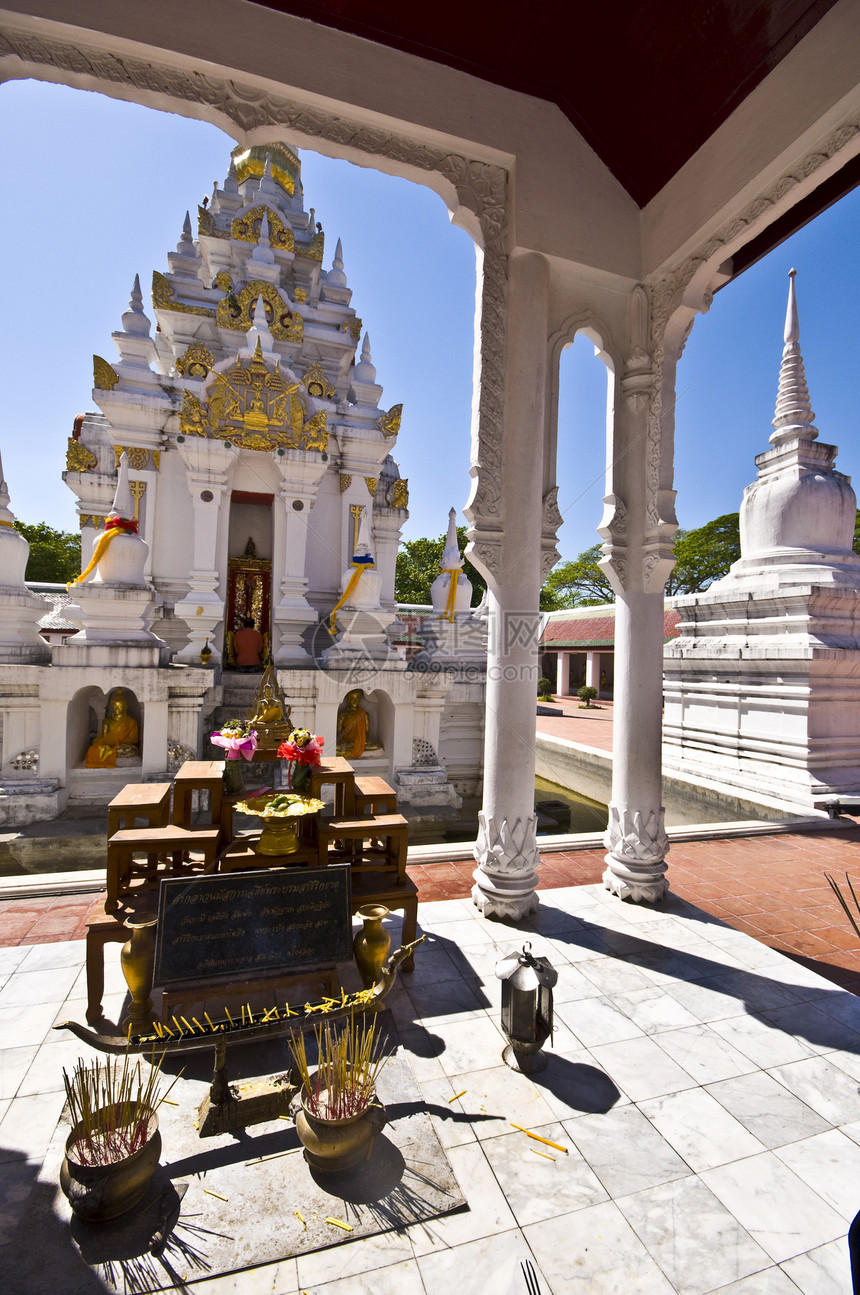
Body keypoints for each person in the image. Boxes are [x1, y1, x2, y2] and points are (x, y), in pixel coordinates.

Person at [84, 690, 140, 768]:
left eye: (119, 705)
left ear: (125, 706)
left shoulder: (131, 722)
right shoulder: (107, 721)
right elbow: (105, 738)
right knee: (95, 750)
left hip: (124, 747)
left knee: (130, 750)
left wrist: (122, 744)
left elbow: (133, 741)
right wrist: (108, 745)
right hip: (111, 746)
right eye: (115, 705)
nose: (117, 708)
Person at [336, 689, 370, 758]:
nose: (355, 700)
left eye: (357, 698)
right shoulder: (343, 714)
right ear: (348, 699)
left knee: (376, 746)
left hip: (360, 742)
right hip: (346, 742)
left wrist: (360, 741)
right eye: (352, 698)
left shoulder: (364, 714)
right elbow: (339, 731)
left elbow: (366, 731)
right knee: (337, 746)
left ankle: (356, 747)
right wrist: (344, 741)